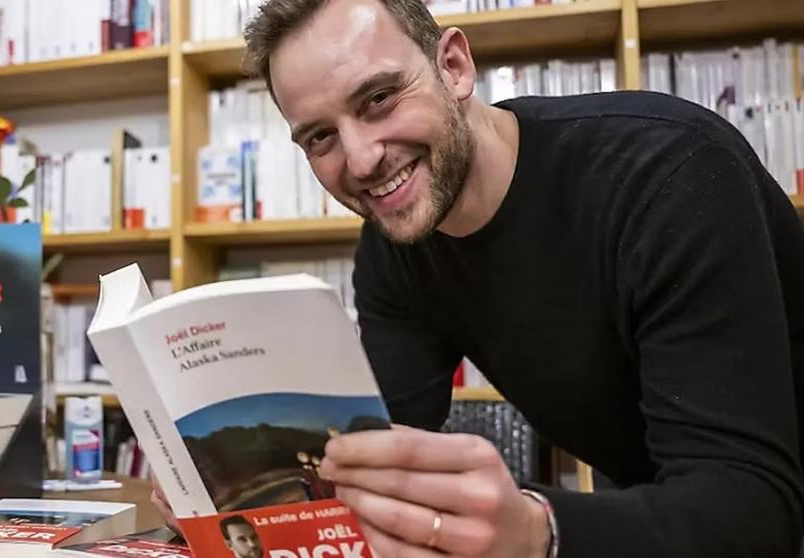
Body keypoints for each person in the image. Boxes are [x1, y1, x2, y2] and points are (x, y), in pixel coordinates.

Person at [238, 0, 803, 557]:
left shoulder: (669, 173)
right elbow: (384, 446)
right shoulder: (396, 248)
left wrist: (538, 532)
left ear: (454, 66)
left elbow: (755, 511)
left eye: (379, 99)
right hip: (662, 510)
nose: (361, 161)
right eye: (320, 137)